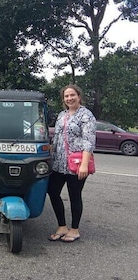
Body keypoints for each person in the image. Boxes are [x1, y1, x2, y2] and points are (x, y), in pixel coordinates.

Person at [47, 84, 96, 242]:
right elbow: (57, 138)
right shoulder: (62, 115)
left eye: (72, 95)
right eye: (66, 96)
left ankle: (74, 229)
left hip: (77, 163)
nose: (69, 98)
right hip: (59, 163)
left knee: (75, 195)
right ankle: (62, 226)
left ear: (79, 96)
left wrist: (84, 165)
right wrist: (50, 154)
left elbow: (89, 141)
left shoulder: (86, 115)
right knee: (52, 191)